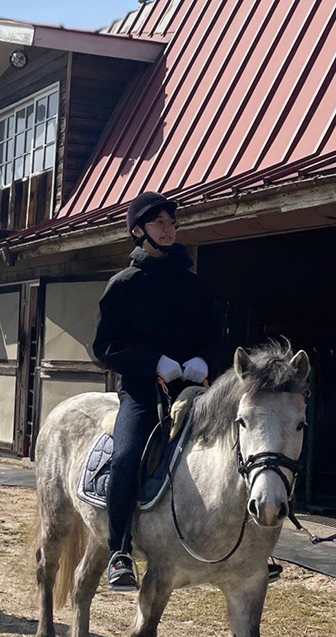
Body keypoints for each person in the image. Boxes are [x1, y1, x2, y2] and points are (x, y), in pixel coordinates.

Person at [92, 191, 222, 590]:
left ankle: (244, 547)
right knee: (128, 456)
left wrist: (203, 359)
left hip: (193, 392)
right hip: (143, 393)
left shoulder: (194, 285)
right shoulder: (123, 285)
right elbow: (104, 348)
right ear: (138, 231)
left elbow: (214, 334)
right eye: (159, 223)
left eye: (172, 223)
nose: (168, 229)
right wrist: (151, 362)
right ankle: (120, 551)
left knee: (237, 448)